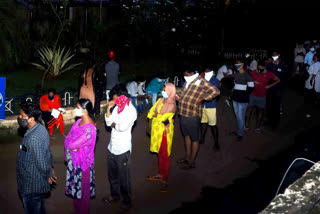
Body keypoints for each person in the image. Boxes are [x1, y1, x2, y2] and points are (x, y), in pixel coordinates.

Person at [16, 101, 56, 214]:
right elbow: (47, 152)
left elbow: (41, 163)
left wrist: (48, 172)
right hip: (35, 182)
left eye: (22, 116)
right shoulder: (40, 128)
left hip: (31, 184)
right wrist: (51, 167)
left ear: (31, 118)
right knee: (39, 208)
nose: (19, 118)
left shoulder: (33, 138)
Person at [177, 69, 220, 170]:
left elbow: (216, 91)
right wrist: (179, 97)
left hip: (193, 114)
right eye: (184, 76)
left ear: (192, 73)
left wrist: (203, 98)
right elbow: (184, 93)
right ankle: (187, 157)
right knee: (186, 136)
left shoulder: (201, 81)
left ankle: (192, 162)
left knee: (194, 138)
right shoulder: (187, 81)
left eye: (187, 75)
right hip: (183, 113)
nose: (185, 77)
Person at [104, 84, 137, 212]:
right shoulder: (117, 106)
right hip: (112, 146)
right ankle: (115, 196)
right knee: (112, 176)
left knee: (124, 178)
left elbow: (122, 127)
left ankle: (127, 201)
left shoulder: (131, 110)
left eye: (114, 98)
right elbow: (108, 123)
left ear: (121, 96)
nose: (113, 100)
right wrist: (108, 108)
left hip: (123, 149)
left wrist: (114, 124)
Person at [64, 99, 96, 214]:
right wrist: (74, 144)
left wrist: (74, 144)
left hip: (83, 164)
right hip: (75, 161)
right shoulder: (79, 121)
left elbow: (72, 143)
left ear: (85, 110)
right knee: (77, 189)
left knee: (83, 192)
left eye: (78, 107)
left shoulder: (89, 129)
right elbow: (69, 137)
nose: (75, 109)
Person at [146, 83, 176, 192]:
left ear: (170, 91)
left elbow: (161, 118)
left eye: (164, 90)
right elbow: (151, 112)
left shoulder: (172, 104)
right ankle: (160, 173)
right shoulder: (161, 100)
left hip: (164, 133)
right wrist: (154, 114)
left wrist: (155, 114)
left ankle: (165, 179)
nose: (162, 91)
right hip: (157, 131)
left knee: (165, 155)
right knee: (159, 153)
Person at [245, 60, 280, 133]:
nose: (259, 68)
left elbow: (278, 80)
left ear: (264, 67)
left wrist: (269, 86)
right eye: (258, 67)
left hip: (262, 96)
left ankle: (257, 128)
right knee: (249, 110)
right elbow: (247, 80)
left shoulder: (269, 73)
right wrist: (252, 82)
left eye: (261, 67)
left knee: (260, 112)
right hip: (252, 95)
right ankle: (246, 125)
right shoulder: (253, 72)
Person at [231, 59, 254, 141]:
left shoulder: (247, 75)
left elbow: (251, 87)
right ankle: (239, 130)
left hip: (243, 99)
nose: (236, 64)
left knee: (240, 117)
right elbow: (235, 85)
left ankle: (240, 134)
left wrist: (244, 94)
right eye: (235, 63)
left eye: (238, 63)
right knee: (237, 116)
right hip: (235, 98)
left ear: (242, 64)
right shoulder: (236, 74)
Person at [266, 51, 288, 128]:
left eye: (275, 55)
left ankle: (275, 124)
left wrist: (280, 90)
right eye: (272, 55)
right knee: (269, 105)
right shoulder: (269, 65)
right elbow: (267, 76)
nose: (273, 56)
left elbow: (284, 80)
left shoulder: (283, 66)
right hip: (269, 89)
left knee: (276, 107)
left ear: (279, 55)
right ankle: (269, 121)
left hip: (278, 90)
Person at [200, 68, 220, 150]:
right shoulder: (203, 79)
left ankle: (216, 143)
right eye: (205, 71)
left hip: (211, 105)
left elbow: (213, 92)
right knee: (203, 123)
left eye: (208, 71)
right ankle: (202, 138)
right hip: (203, 105)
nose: (206, 72)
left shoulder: (215, 80)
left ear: (212, 71)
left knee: (213, 125)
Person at [304, 53, 320, 118]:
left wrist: (311, 80)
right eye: (314, 56)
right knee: (313, 96)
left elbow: (314, 74)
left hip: (313, 83)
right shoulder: (315, 63)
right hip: (314, 82)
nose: (314, 58)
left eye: (315, 57)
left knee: (311, 97)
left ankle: (309, 112)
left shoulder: (317, 64)